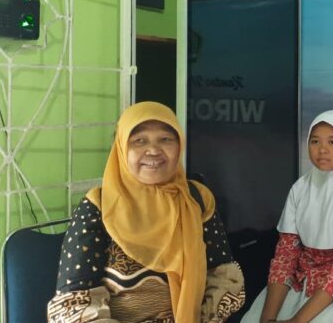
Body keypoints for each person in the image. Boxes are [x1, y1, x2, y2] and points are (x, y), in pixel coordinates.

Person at [47, 101, 245, 322]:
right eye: (139, 140)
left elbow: (222, 276)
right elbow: (75, 305)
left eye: (166, 139)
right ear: (121, 148)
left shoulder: (196, 200)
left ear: (179, 145)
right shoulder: (98, 207)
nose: (153, 150)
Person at [242, 110, 333, 323]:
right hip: (300, 282)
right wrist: (267, 317)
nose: (322, 149)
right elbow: (285, 257)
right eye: (315, 141)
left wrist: (297, 321)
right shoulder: (300, 188)